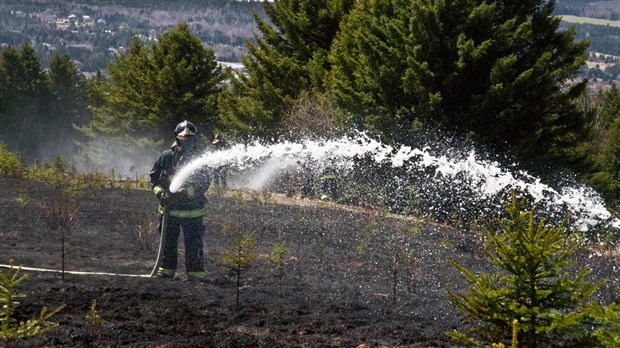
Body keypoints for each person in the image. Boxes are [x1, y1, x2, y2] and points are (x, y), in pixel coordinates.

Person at [149, 120, 210, 281]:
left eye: (190, 140)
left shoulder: (199, 159)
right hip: (169, 211)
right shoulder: (167, 157)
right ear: (177, 138)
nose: (187, 143)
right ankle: (166, 271)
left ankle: (195, 274)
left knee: (194, 245)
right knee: (168, 243)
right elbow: (154, 179)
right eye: (184, 140)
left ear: (194, 140)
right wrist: (161, 193)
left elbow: (205, 183)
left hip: (193, 212)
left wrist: (187, 192)